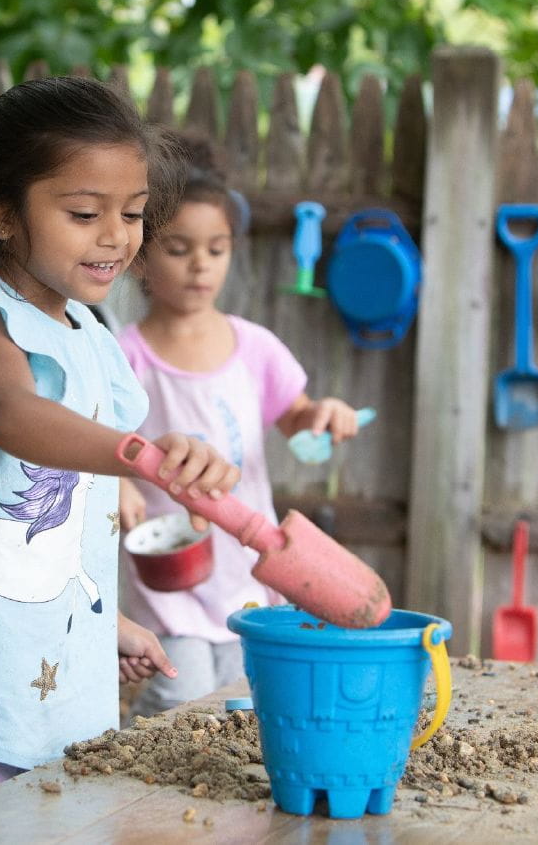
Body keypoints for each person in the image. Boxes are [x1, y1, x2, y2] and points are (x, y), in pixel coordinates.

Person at [0, 76, 242, 812]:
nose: (115, 236)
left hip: (45, 676)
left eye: (131, 214)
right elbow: (15, 417)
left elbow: (61, 529)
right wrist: (147, 456)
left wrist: (106, 622)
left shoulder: (89, 336)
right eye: (82, 213)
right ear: (1, 212)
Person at [116, 132, 360, 718]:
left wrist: (323, 414)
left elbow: (297, 416)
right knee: (181, 696)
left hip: (246, 566)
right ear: (141, 255)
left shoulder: (255, 347)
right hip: (168, 575)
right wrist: (117, 482)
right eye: (178, 249)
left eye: (217, 249)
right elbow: (100, 444)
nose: (201, 265)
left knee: (247, 702)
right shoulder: (124, 356)